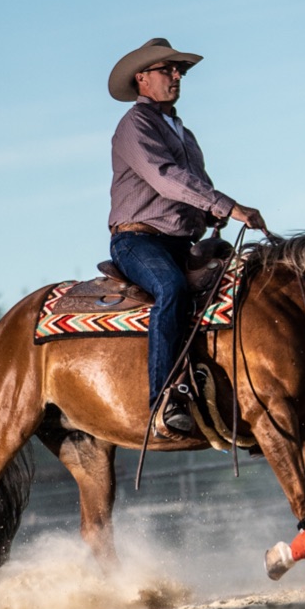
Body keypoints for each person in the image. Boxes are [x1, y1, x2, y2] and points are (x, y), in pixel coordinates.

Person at [107, 37, 266, 436]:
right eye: (167, 69)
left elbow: (195, 185)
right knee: (172, 288)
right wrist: (227, 206)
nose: (177, 76)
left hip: (180, 241)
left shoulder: (183, 132)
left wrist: (211, 216)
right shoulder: (136, 124)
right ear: (142, 79)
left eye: (179, 70)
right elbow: (166, 178)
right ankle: (164, 399)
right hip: (138, 241)